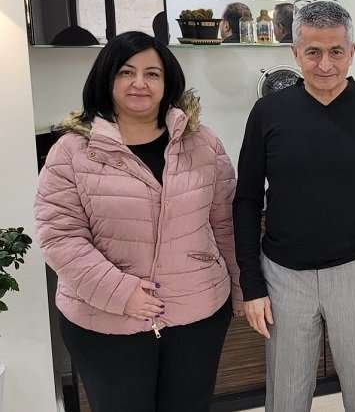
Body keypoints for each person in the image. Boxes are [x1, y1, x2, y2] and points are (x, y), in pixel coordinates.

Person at [34, 31, 243, 412]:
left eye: (152, 74)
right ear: (106, 79)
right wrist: (120, 292)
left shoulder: (203, 143)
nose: (139, 83)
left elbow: (225, 224)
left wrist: (241, 288)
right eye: (126, 72)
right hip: (105, 322)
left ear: (168, 82)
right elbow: (60, 237)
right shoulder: (72, 150)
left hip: (197, 315)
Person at [233, 0, 355, 412]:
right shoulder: (267, 113)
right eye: (313, 52)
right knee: (285, 399)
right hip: (283, 277)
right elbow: (246, 199)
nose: (325, 64)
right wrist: (251, 283)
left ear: (352, 51)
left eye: (336, 51)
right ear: (295, 52)